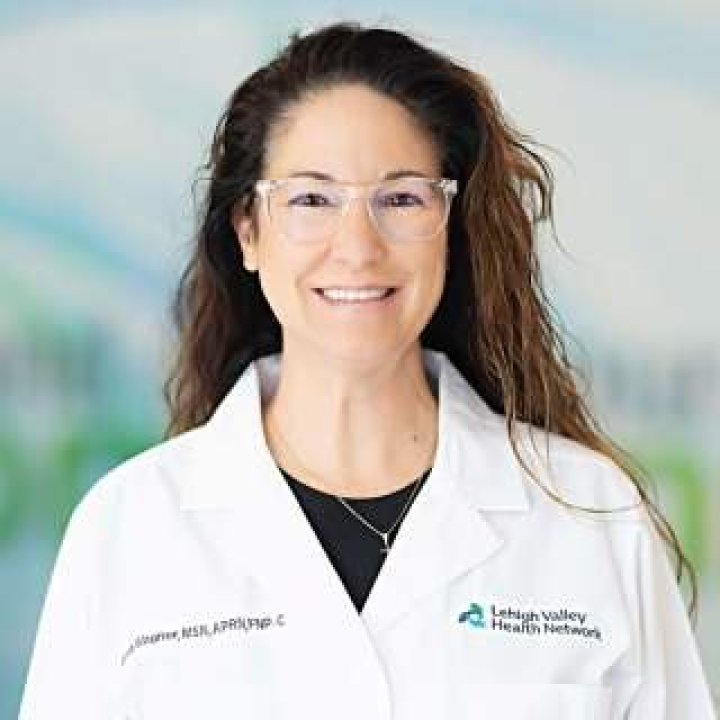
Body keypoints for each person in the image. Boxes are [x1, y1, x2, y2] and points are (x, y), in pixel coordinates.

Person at [18, 20, 717, 720]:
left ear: (452, 229)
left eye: (402, 198)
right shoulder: (130, 527)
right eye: (311, 200)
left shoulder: (587, 515)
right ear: (248, 230)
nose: (357, 248)